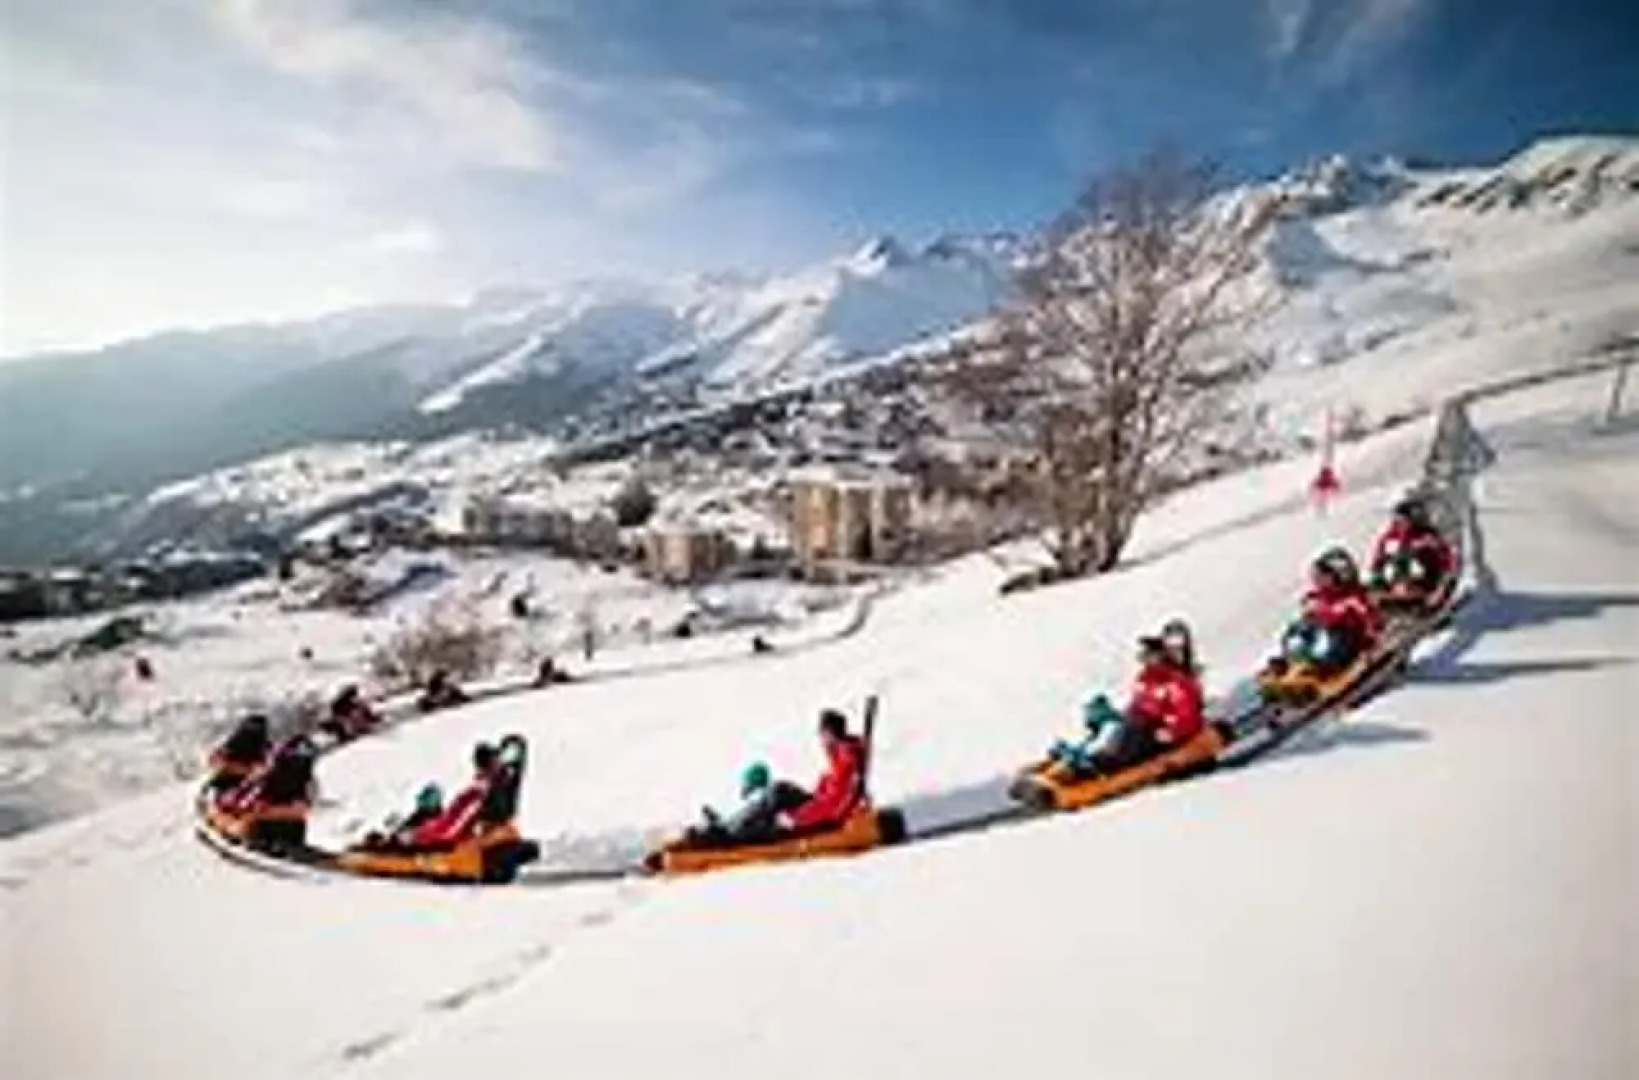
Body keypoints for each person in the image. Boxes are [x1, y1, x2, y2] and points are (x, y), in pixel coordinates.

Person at [1063, 636, 1206, 778]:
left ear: (1161, 656)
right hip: (1144, 729)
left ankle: (1110, 762)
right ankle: (1095, 753)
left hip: (1163, 736)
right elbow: (1138, 704)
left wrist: (1171, 732)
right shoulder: (1146, 678)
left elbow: (1188, 716)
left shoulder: (1177, 682)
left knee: (1136, 727)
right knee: (1120, 721)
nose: (1144, 659)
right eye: (1143, 655)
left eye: (1149, 655)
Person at [1285, 547, 1383, 675]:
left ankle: (1322, 666)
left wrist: (1371, 642)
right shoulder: (1317, 597)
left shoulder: (1353, 598)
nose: (1317, 581)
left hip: (1347, 644)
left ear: (1338, 576)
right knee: (1300, 628)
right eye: (1316, 577)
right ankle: (1295, 660)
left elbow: (1372, 619)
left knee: (1337, 633)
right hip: (1320, 638)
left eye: (1322, 577)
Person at [403, 742, 508, 850]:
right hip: (448, 834)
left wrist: (418, 835)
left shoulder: (482, 790)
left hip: (453, 842)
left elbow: (454, 824)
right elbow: (453, 818)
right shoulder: (483, 787)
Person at [690, 762, 813, 846]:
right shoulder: (773, 792)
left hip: (803, 815)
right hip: (794, 810)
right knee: (756, 812)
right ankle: (724, 828)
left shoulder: (775, 792)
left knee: (755, 819)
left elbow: (761, 820)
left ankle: (724, 830)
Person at [785, 709, 868, 831]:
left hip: (832, 813)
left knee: (782, 798)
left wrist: (796, 818)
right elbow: (826, 792)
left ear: (830, 734)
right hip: (826, 807)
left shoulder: (846, 757)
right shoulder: (837, 757)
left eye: (822, 733)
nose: (820, 739)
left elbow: (836, 801)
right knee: (782, 792)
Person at [1369, 496, 1457, 605]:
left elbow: (1445, 556)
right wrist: (1377, 574)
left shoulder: (1427, 536)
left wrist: (1443, 581)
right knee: (1397, 557)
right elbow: (1380, 553)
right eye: (1399, 520)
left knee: (1408, 556)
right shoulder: (1393, 535)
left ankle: (1422, 596)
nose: (1401, 523)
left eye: (1403, 520)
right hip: (1401, 579)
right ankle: (1391, 595)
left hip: (1428, 579)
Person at [358, 784, 445, 851]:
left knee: (394, 841)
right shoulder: (420, 814)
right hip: (407, 841)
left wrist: (405, 835)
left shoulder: (435, 817)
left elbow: (426, 832)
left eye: (426, 800)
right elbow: (406, 826)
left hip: (418, 846)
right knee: (377, 836)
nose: (422, 803)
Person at [209, 714, 271, 794]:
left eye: (255, 727)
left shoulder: (264, 746)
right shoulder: (233, 741)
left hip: (248, 783)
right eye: (251, 726)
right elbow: (215, 757)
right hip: (227, 778)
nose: (253, 729)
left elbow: (264, 767)